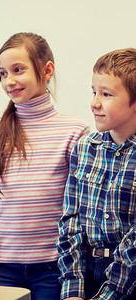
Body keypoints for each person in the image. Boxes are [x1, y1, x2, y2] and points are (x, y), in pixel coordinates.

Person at [0, 32, 90, 300]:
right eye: (2, 73)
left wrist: (75, 268)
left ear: (47, 70)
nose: (9, 81)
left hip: (53, 266)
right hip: (3, 267)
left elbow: (78, 209)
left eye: (18, 70)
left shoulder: (75, 131)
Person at [57, 48, 136, 300]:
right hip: (85, 271)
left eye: (106, 94)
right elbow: (71, 221)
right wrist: (73, 290)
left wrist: (109, 294)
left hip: (127, 278)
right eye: (94, 92)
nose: (94, 102)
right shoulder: (84, 147)